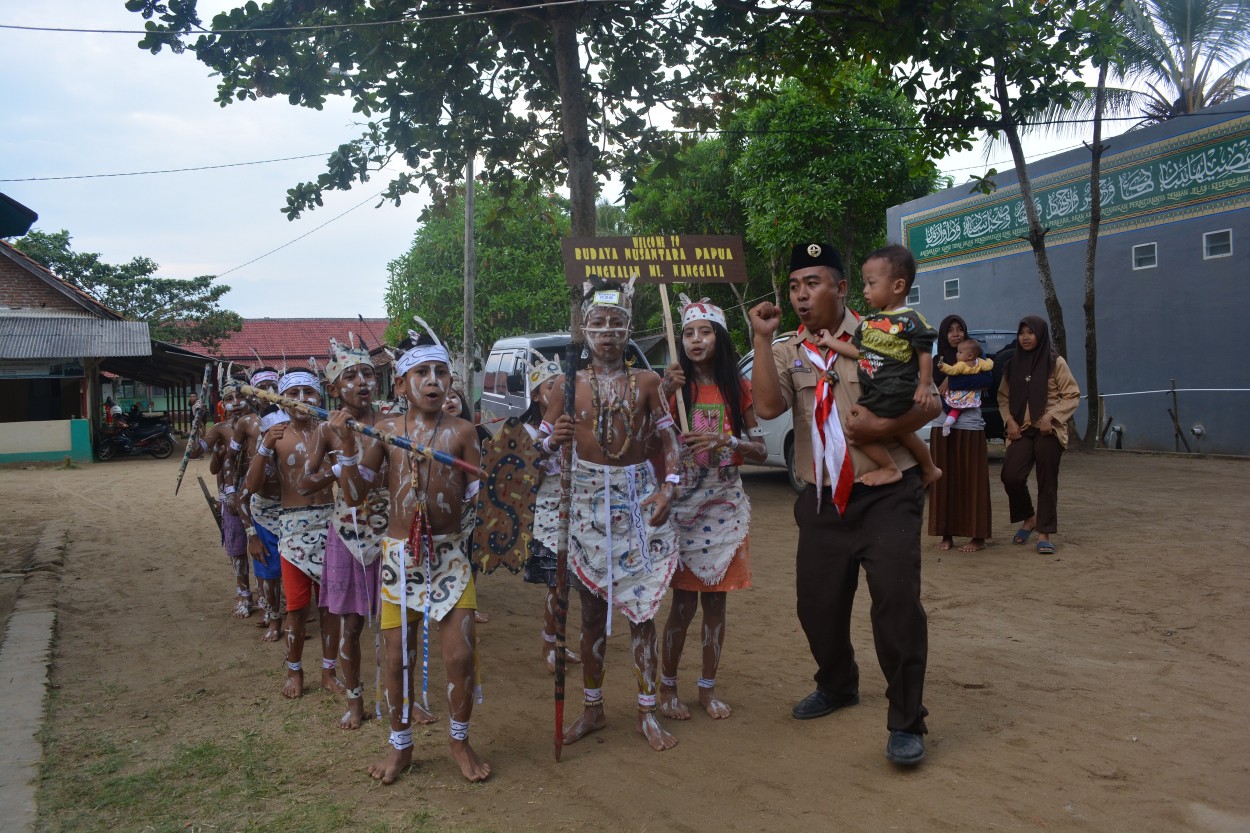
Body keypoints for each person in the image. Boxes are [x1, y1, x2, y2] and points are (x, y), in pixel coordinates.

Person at [749, 242, 940, 767]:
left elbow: (931, 403)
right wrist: (762, 341)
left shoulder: (884, 332)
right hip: (821, 497)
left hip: (887, 493)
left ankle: (906, 719)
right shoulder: (790, 348)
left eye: (812, 283)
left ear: (842, 288)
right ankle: (837, 685)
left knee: (897, 606)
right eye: (794, 287)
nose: (802, 295)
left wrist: (884, 426)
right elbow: (767, 406)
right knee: (817, 608)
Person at [541, 276, 683, 753]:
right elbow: (539, 450)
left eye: (616, 323)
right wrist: (552, 439)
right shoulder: (564, 385)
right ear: (584, 329)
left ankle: (646, 709)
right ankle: (594, 708)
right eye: (598, 323)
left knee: (643, 611)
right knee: (590, 612)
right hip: (583, 502)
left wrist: (669, 486)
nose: (607, 332)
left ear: (628, 329)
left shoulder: (647, 382)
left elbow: (670, 440)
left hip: (638, 501)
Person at [363, 325, 488, 784]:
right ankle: (401, 746)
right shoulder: (383, 431)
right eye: (422, 372)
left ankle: (459, 739)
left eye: (441, 372)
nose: (434, 380)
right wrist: (345, 446)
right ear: (400, 384)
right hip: (399, 558)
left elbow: (481, 499)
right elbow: (358, 489)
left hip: (451, 555)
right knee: (395, 659)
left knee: (459, 656)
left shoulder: (463, 431)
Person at [656, 296, 767, 721]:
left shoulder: (736, 388)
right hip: (683, 511)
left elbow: (760, 449)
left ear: (718, 337)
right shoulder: (671, 390)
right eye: (688, 333)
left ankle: (707, 688)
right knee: (682, 607)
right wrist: (662, 397)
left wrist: (728, 442)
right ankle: (667, 689)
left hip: (725, 510)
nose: (696, 340)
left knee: (716, 607)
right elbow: (644, 442)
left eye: (704, 332)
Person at [246, 368, 343, 699]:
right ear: (282, 400)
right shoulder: (276, 433)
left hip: (331, 522)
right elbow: (252, 486)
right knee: (298, 607)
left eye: (309, 392)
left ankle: (329, 670)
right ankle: (294, 669)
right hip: (293, 525)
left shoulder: (331, 430)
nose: (303, 399)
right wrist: (262, 449)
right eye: (295, 393)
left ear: (320, 396)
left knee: (330, 606)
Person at [305, 340, 387, 730]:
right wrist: (336, 471)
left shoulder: (394, 422)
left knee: (397, 622)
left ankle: (400, 699)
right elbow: (305, 483)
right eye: (349, 376)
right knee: (351, 625)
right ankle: (355, 701)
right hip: (348, 535)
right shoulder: (326, 429)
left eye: (367, 373)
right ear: (335, 389)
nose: (361, 382)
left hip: (394, 533)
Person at [813, 245, 940, 487]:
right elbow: (858, 352)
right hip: (877, 391)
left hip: (893, 390)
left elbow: (924, 351)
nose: (865, 290)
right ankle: (930, 468)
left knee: (853, 428)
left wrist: (924, 384)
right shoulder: (869, 323)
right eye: (865, 284)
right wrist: (830, 341)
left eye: (871, 283)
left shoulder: (910, 320)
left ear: (898, 286)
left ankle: (889, 468)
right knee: (903, 433)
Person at [518, 351, 582, 673]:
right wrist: (550, 445)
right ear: (535, 394)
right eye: (550, 384)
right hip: (547, 510)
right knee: (557, 583)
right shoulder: (529, 433)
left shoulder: (574, 420)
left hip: (576, 505)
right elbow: (528, 475)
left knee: (568, 583)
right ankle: (549, 644)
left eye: (560, 383)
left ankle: (559, 641)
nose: (557, 388)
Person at [998, 315, 1080, 556]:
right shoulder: (1012, 365)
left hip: (1048, 430)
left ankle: (1044, 533)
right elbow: (1003, 397)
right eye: (1022, 332)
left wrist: (1051, 417)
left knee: (1046, 480)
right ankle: (1029, 518)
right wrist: (1009, 420)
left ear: (1040, 335)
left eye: (1031, 332)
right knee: (1010, 476)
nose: (1025, 337)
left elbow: (1072, 394)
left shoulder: (1055, 362)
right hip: (1021, 430)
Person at [227, 366, 284, 640]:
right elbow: (230, 461)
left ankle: (293, 614)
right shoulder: (248, 423)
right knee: (267, 568)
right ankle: (270, 613)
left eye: (275, 386)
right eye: (264, 388)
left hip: (294, 509)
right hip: (258, 500)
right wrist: (228, 490)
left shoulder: (301, 426)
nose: (270, 393)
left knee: (294, 570)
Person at [927, 316, 993, 553]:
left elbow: (986, 380)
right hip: (942, 421)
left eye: (960, 330)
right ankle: (946, 534)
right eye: (950, 330)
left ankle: (978, 536)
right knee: (945, 478)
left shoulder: (979, 358)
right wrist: (952, 380)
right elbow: (933, 384)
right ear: (944, 335)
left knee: (972, 477)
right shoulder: (938, 360)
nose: (956, 334)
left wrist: (951, 380)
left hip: (970, 423)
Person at [198, 375, 253, 618]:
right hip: (230, 495)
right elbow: (198, 449)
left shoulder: (262, 424)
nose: (236, 402)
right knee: (237, 546)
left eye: (241, 396)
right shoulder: (220, 429)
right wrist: (197, 420)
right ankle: (243, 593)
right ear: (222, 404)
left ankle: (268, 594)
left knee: (266, 547)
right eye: (230, 398)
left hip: (259, 494)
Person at [937, 340, 993, 436]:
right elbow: (988, 366)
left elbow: (951, 370)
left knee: (956, 409)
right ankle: (948, 423)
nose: (957, 354)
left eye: (960, 352)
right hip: (972, 398)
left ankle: (948, 422)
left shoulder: (961, 364)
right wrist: (989, 360)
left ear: (970, 355)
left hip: (960, 397)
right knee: (959, 409)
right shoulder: (979, 362)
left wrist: (943, 366)